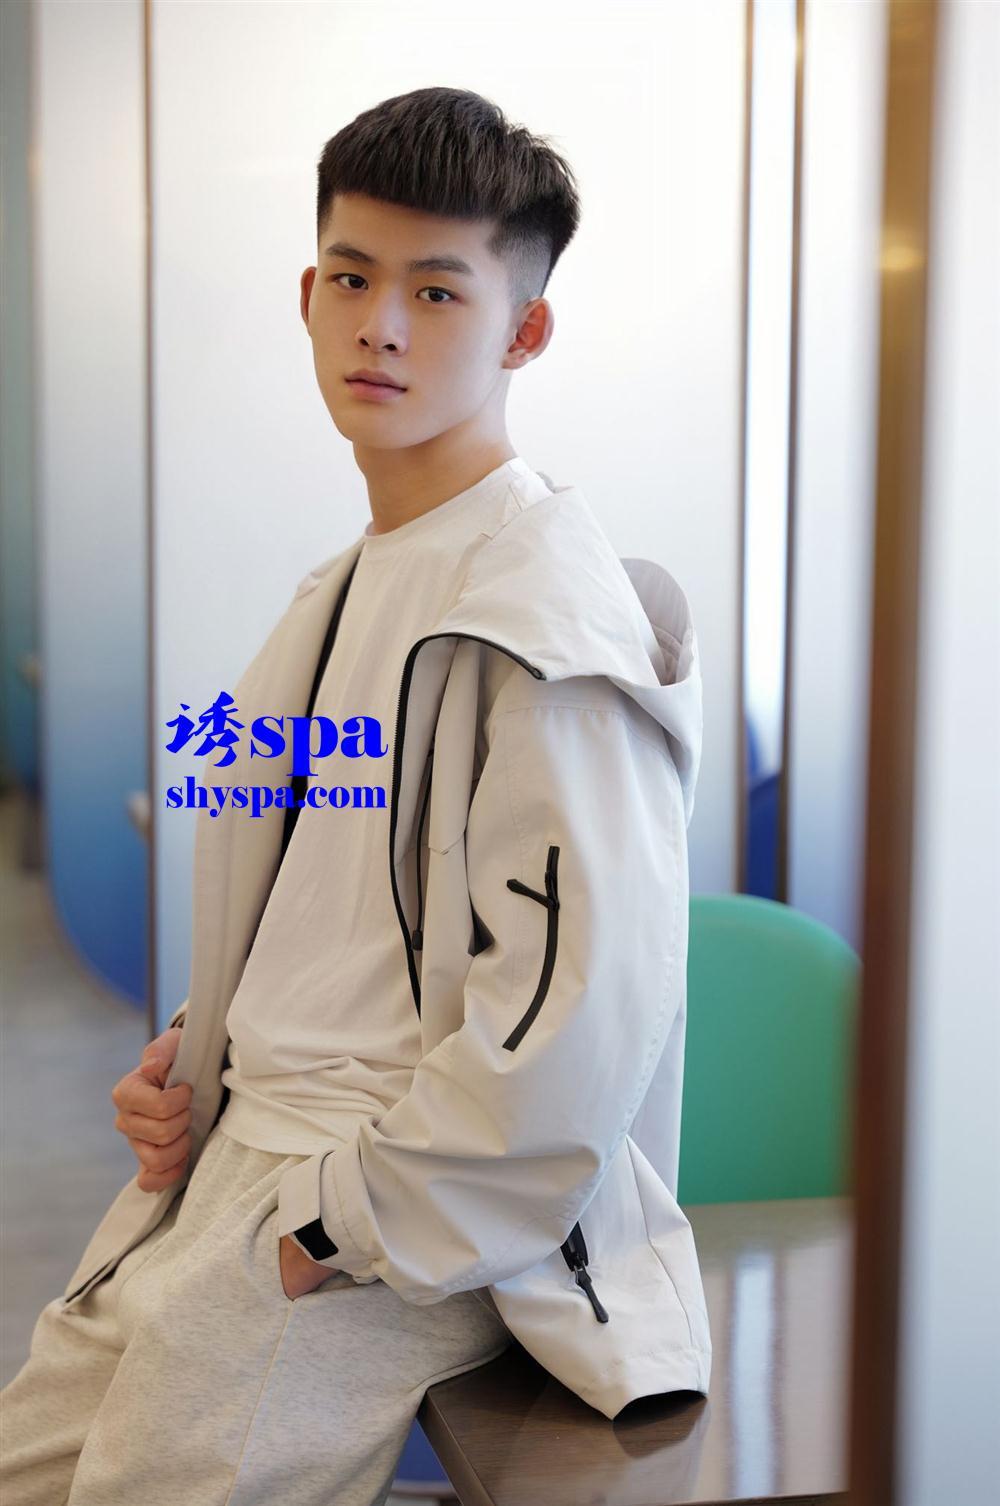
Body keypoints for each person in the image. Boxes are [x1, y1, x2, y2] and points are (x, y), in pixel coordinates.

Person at [0, 85, 711, 1506]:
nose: (381, 324)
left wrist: (330, 1230)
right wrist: (200, 1049)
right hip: (231, 1164)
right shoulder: (340, 591)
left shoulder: (548, 623)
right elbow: (343, 912)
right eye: (352, 277)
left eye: (437, 291)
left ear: (524, 332)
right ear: (308, 297)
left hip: (387, 1200)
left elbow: (572, 1035)